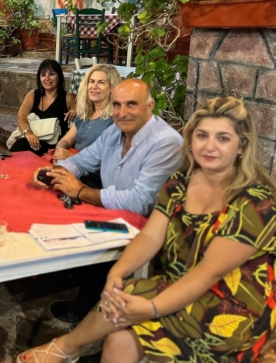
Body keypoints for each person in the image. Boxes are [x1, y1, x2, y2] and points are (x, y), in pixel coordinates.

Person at [17, 96, 276, 363]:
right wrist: (116, 273)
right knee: (118, 337)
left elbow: (210, 272)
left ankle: (62, 348)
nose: (209, 146)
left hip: (230, 310)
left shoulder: (256, 201)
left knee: (130, 297)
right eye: (202, 136)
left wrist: (152, 307)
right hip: (177, 287)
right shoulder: (180, 182)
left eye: (223, 138)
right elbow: (151, 236)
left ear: (241, 146)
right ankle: (64, 348)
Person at [33, 79, 183, 324]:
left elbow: (140, 201)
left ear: (150, 106)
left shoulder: (165, 142)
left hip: (151, 227)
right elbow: (81, 161)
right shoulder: (114, 132)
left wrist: (80, 191)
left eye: (131, 104)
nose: (122, 112)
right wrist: (51, 173)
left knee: (83, 234)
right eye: (117, 105)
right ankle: (86, 290)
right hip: (117, 215)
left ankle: (88, 309)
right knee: (58, 219)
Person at [52, 64, 121, 187]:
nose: (94, 86)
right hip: (73, 171)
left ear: (112, 88)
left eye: (101, 82)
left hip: (95, 182)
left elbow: (110, 163)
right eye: (92, 81)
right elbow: (66, 140)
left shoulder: (115, 120)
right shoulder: (85, 113)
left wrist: (73, 157)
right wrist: (59, 152)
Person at [9, 59, 70, 156]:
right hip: (33, 139)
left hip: (55, 145)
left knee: (21, 145)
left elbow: (82, 112)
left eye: (51, 74)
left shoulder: (68, 97)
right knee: (21, 144)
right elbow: (21, 116)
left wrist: (75, 110)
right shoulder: (33, 95)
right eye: (43, 75)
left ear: (59, 76)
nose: (47, 78)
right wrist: (28, 133)